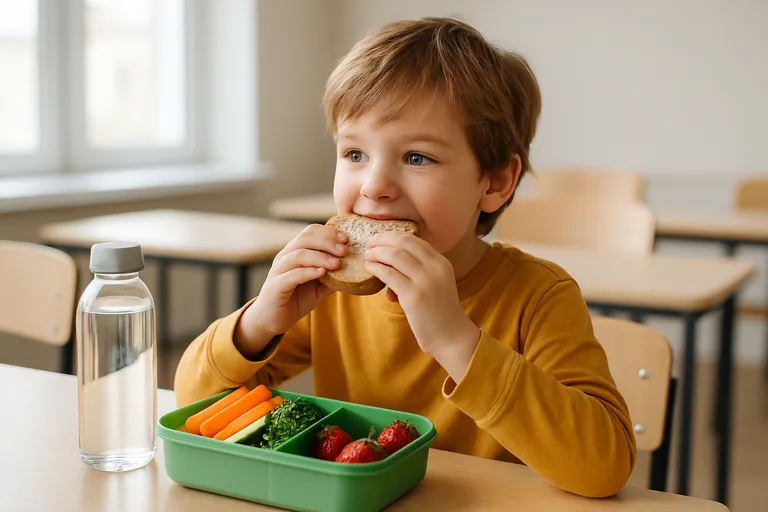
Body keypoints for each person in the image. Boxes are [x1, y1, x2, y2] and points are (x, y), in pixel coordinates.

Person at [175, 17, 636, 497]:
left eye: (417, 158)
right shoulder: (331, 293)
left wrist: (456, 340)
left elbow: (602, 469)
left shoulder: (540, 296)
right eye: (354, 154)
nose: (374, 186)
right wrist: (258, 324)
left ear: (495, 182)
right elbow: (193, 406)